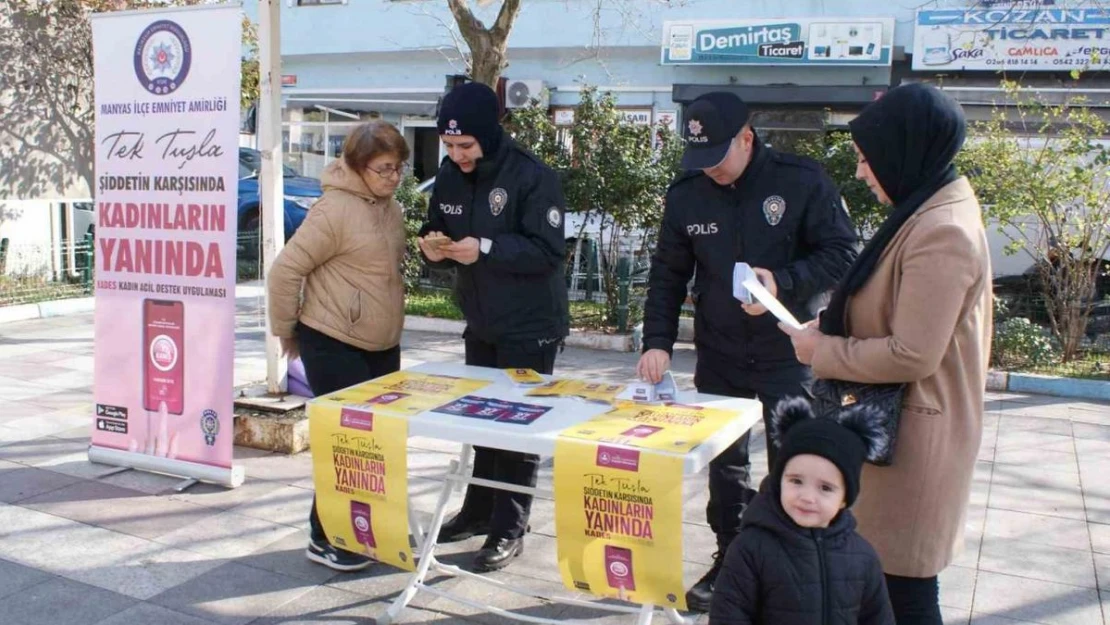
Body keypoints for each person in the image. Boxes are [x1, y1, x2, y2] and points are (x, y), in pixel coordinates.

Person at [637, 91, 858, 611]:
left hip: (789, 352)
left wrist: (781, 281)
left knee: (793, 467)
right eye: (698, 158)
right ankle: (731, 560)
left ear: (746, 138)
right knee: (725, 468)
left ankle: (793, 571)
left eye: (717, 155)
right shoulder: (688, 193)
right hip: (720, 351)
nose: (708, 168)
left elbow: (842, 253)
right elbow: (668, 274)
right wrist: (657, 342)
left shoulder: (801, 181)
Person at [780, 82, 991, 625]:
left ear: (905, 151)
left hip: (916, 444)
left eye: (867, 159)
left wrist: (820, 349)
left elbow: (912, 354)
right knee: (886, 587)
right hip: (895, 432)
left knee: (905, 590)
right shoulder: (927, 207)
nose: (860, 172)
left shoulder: (942, 230)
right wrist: (828, 325)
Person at [416, 81, 569, 572]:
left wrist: (484, 247)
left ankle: (510, 526)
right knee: (481, 422)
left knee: (516, 432)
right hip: (481, 320)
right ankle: (478, 510)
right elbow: (435, 224)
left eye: (466, 145)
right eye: (449, 145)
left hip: (530, 325)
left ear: (489, 133)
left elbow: (548, 252)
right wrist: (431, 244)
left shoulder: (531, 175)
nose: (457, 155)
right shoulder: (449, 174)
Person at [267, 121, 411, 572]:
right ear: (357, 166)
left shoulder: (389, 207)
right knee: (345, 446)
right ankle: (325, 535)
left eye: (398, 168)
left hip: (381, 343)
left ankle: (366, 529)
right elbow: (284, 272)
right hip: (333, 341)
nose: (393, 178)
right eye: (384, 169)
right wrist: (287, 331)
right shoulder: (333, 211)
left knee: (377, 445)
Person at [710, 397, 895, 625]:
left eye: (825, 488)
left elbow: (878, 617)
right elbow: (728, 616)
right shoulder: (750, 549)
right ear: (779, 482)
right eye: (796, 481)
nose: (807, 497)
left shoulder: (863, 556)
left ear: (845, 499)